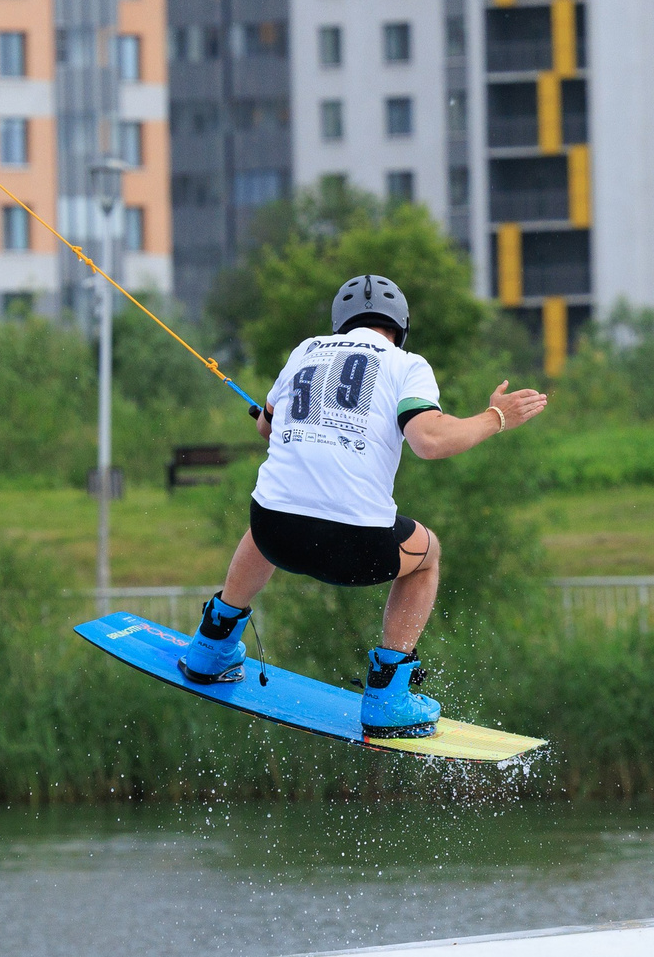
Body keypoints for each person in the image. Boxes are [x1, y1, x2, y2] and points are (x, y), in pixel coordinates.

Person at [177, 274, 549, 737]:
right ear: (400, 326)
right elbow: (429, 441)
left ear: (340, 324)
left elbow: (266, 431)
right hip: (354, 551)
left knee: (275, 500)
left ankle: (212, 646)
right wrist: (496, 417)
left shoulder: (305, 351)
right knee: (427, 555)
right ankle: (388, 697)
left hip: (275, 537)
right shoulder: (406, 365)